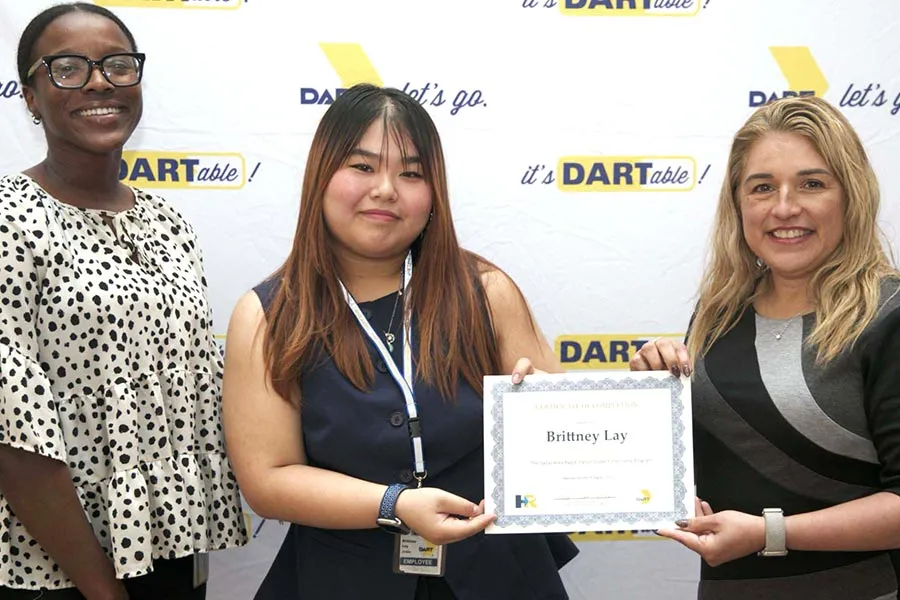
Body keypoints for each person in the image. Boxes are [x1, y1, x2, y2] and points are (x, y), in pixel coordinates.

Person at [222, 83, 578, 600]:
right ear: (320, 178)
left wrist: (603, 402)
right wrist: (395, 504)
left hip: (495, 572)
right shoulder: (269, 315)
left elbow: (567, 443)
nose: (386, 189)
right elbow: (268, 481)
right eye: (362, 167)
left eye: (411, 173)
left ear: (434, 194)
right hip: (342, 577)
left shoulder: (486, 291)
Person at [0, 3, 248, 599]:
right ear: (30, 97)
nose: (97, 81)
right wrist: (102, 589)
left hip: (172, 556)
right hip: (62, 571)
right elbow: (12, 431)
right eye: (66, 68)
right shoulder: (9, 217)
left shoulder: (168, 222)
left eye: (116, 64)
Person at [631, 96, 900, 599]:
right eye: (762, 187)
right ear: (738, 203)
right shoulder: (717, 318)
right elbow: (716, 465)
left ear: (851, 194)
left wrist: (768, 533)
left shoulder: (889, 315)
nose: (784, 207)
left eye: (812, 184)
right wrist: (649, 403)